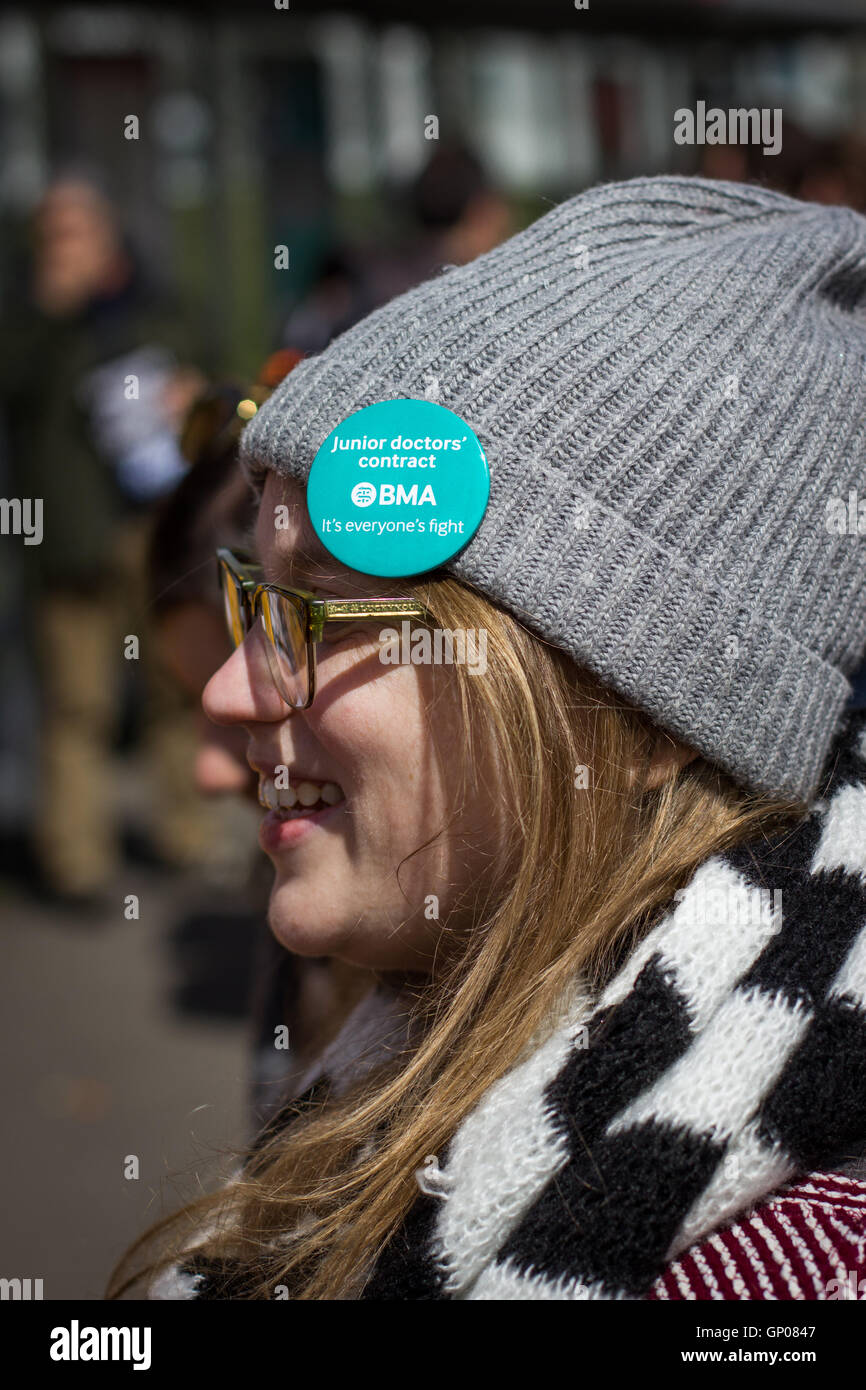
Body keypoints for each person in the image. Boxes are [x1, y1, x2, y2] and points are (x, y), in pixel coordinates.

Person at [112, 175, 866, 1301]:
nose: (230, 689)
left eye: (321, 610)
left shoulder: (780, 1278)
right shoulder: (405, 1030)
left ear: (643, 712)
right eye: (254, 601)